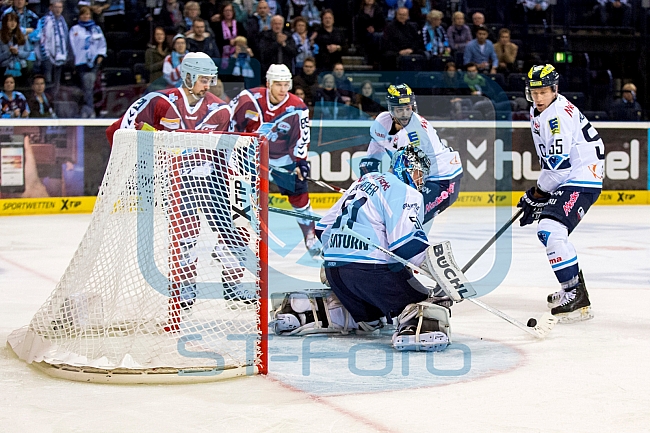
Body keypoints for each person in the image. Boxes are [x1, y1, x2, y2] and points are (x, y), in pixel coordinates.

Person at [270, 146, 451, 353]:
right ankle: (416, 328)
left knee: (375, 316)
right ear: (407, 167)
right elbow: (406, 245)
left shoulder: (364, 180)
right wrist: (443, 278)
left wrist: (341, 254)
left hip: (335, 273)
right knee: (427, 304)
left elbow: (322, 229)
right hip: (370, 273)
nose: (420, 180)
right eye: (419, 173)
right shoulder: (406, 191)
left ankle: (313, 311)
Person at [106, 53, 237, 331]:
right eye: (203, 79)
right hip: (171, 182)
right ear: (187, 76)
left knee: (232, 232)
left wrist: (227, 181)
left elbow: (225, 154)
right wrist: (134, 168)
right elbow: (119, 132)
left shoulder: (221, 110)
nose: (208, 85)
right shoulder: (158, 101)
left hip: (210, 180)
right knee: (186, 234)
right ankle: (186, 283)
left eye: (211, 79)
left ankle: (233, 281)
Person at [518, 64, 604, 322]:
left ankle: (576, 296)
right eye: (534, 92)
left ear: (555, 90)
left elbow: (557, 171)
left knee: (551, 230)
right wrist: (538, 195)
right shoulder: (540, 110)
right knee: (550, 231)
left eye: (544, 91)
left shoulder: (557, 119)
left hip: (580, 178)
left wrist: (536, 194)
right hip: (572, 176)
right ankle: (573, 288)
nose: (538, 97)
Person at [230, 64, 318, 257]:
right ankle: (237, 240)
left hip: (281, 159)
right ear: (268, 83)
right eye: (278, 84)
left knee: (299, 194)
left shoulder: (297, 107)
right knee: (242, 198)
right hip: (249, 157)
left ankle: (310, 236)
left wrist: (300, 161)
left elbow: (301, 138)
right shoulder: (247, 99)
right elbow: (230, 125)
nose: (283, 89)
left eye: (286, 84)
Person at [359, 84, 463, 224]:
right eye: (399, 109)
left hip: (443, 180)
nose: (405, 114)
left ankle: (414, 245)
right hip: (421, 176)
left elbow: (407, 177)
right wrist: (368, 172)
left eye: (408, 108)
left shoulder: (416, 133)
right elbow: (374, 152)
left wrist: (379, 189)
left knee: (406, 221)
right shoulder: (382, 121)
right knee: (396, 218)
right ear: (391, 109)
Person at [69, 6, 106, 118]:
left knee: (89, 86)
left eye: (88, 14)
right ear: (80, 16)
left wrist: (100, 55)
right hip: (81, 62)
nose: (86, 17)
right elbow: (72, 45)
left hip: (93, 62)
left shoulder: (96, 29)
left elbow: (102, 43)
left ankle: (89, 110)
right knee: (86, 87)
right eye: (84, 14)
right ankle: (88, 109)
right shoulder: (74, 29)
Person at [37, 0, 68, 98]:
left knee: (57, 82)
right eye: (56, 7)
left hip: (60, 56)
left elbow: (65, 38)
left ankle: (54, 101)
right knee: (48, 81)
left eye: (60, 7)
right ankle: (46, 101)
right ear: (51, 8)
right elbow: (43, 39)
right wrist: (46, 55)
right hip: (47, 56)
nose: (58, 9)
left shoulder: (63, 21)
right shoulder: (45, 20)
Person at [0, 12, 29, 80]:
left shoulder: (22, 36)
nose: (13, 23)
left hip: (21, 65)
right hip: (4, 66)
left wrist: (17, 52)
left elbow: (27, 53)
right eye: (10, 21)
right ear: (5, 22)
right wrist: (9, 52)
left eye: (15, 21)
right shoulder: (0, 37)